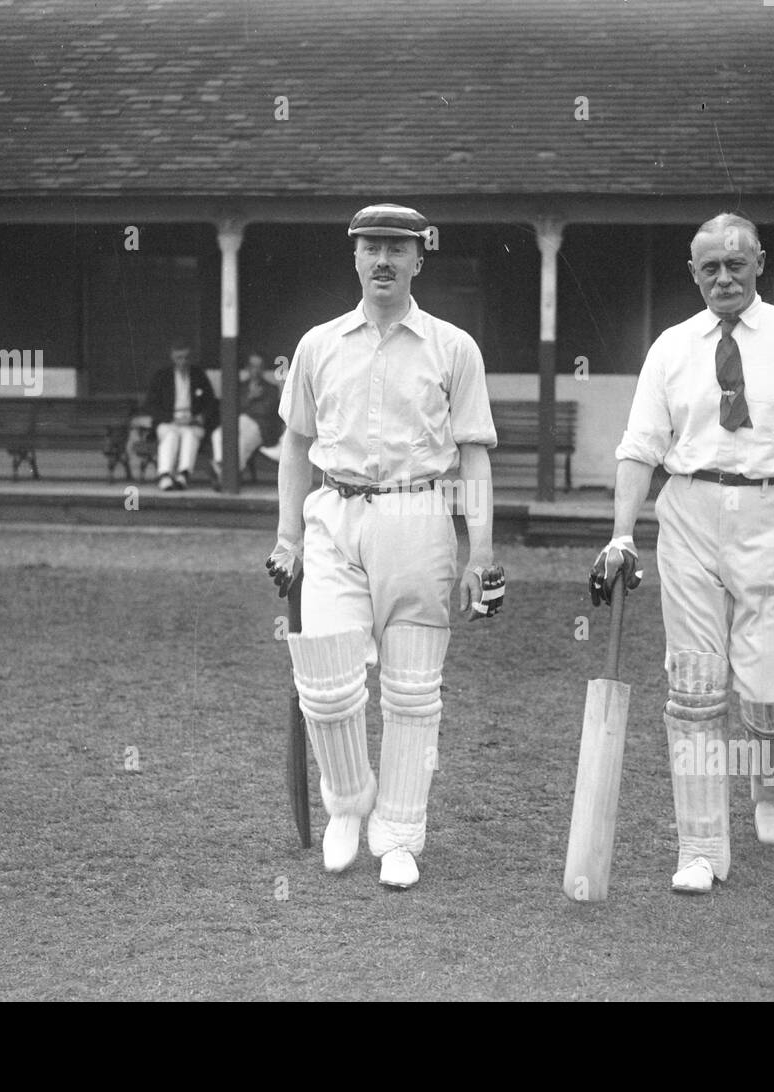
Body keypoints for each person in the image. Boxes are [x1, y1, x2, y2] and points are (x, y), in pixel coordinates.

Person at [589, 213, 774, 895]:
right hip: (689, 512)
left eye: (735, 264)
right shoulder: (672, 347)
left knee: (770, 692)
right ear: (693, 274)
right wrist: (621, 534)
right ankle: (700, 848)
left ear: (759, 264)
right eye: (709, 267)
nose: (723, 278)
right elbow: (640, 448)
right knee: (692, 687)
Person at [266, 203, 503, 890]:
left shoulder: (452, 347)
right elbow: (297, 445)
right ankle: (346, 803)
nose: (383, 260)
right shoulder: (319, 344)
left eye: (398, 248)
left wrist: (480, 550)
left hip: (419, 514)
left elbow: (475, 457)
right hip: (334, 517)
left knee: (412, 690)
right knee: (327, 681)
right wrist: (287, 538)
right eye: (371, 247)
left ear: (418, 257)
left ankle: (399, 833)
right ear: (355, 255)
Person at [142, 336, 218, 490]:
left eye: (185, 358)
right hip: (169, 421)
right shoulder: (162, 376)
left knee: (189, 435)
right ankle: (165, 475)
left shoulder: (198, 375)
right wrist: (171, 419)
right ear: (172, 357)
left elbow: (210, 402)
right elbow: (151, 404)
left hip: (192, 421)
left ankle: (183, 475)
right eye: (179, 358)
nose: (182, 362)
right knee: (170, 436)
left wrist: (199, 417)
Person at [210, 350, 284, 488]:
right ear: (247, 368)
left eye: (259, 366)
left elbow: (264, 411)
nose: (255, 370)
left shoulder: (271, 389)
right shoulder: (238, 387)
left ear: (263, 368)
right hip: (237, 424)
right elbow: (229, 408)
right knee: (218, 434)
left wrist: (246, 405)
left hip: (259, 427)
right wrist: (250, 397)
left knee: (240, 441)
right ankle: (223, 467)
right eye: (252, 366)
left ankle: (227, 474)